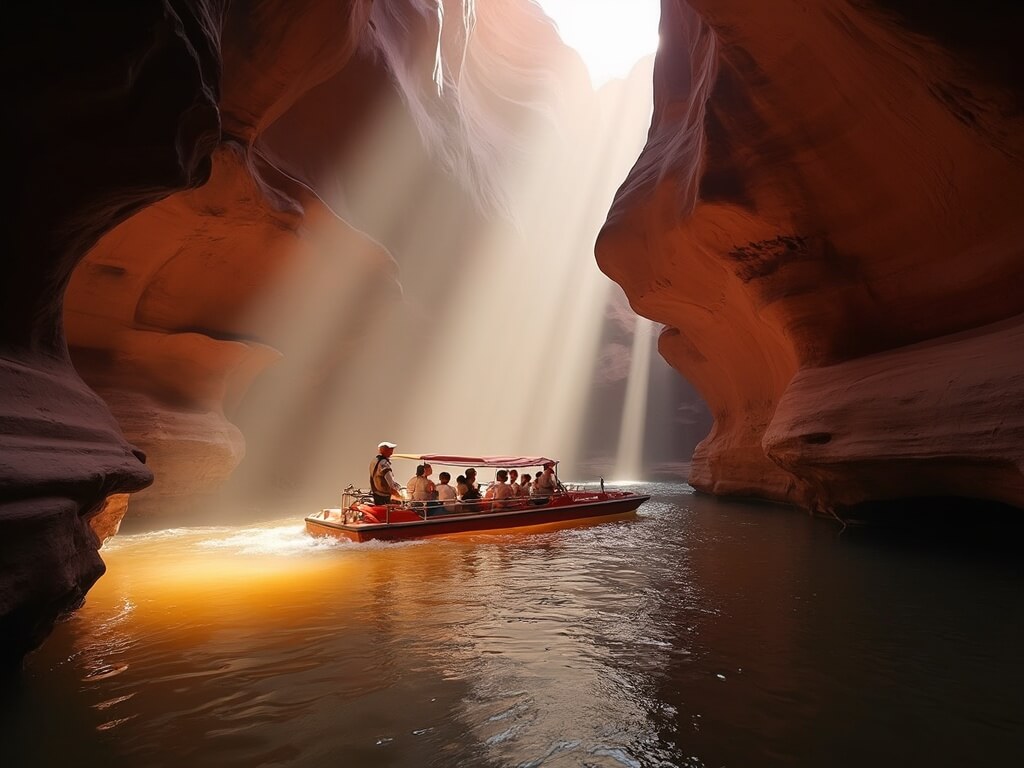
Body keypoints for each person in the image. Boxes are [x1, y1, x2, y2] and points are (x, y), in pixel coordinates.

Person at [369, 440, 402, 505]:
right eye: (391, 449)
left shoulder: (374, 460)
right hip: (383, 495)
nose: (392, 452)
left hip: (376, 492)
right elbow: (389, 480)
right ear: (386, 450)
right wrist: (399, 496)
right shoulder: (384, 463)